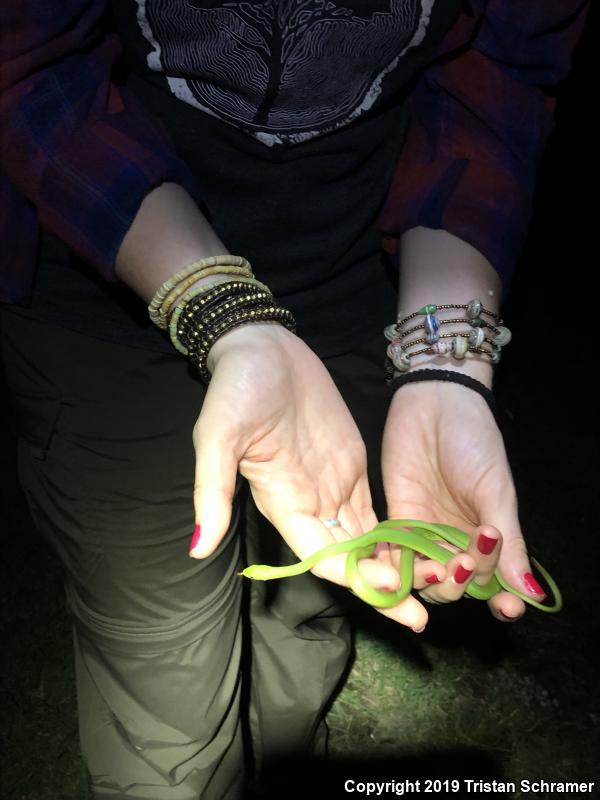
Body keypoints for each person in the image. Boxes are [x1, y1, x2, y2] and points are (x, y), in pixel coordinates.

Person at [0, 1, 590, 797]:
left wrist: (445, 368)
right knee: (163, 649)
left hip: (352, 292)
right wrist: (221, 309)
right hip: (98, 306)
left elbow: (497, 87)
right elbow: (29, 71)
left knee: (316, 602)